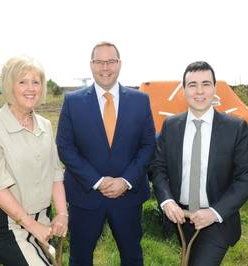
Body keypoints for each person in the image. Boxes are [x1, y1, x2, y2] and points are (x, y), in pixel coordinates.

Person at [56, 41, 156, 266]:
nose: (105, 67)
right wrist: (98, 181)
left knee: (132, 257)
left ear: (119, 64)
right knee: (80, 258)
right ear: (91, 65)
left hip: (128, 196)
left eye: (110, 61)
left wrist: (127, 180)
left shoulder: (141, 100)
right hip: (85, 195)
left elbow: (148, 145)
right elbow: (65, 147)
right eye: (99, 62)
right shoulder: (73, 102)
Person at [149, 61, 248, 265]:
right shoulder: (171, 126)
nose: (199, 91)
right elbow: (159, 168)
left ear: (215, 88)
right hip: (180, 219)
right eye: (192, 85)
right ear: (184, 90)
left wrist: (214, 213)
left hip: (216, 220)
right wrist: (167, 201)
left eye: (206, 84)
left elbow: (247, 179)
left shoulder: (235, 128)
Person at [0, 56, 68, 265]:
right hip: (5, 223)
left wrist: (62, 214)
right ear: (9, 86)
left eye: (36, 82)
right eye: (22, 81)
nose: (30, 88)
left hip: (40, 216)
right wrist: (33, 227)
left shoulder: (45, 125)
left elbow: (55, 173)